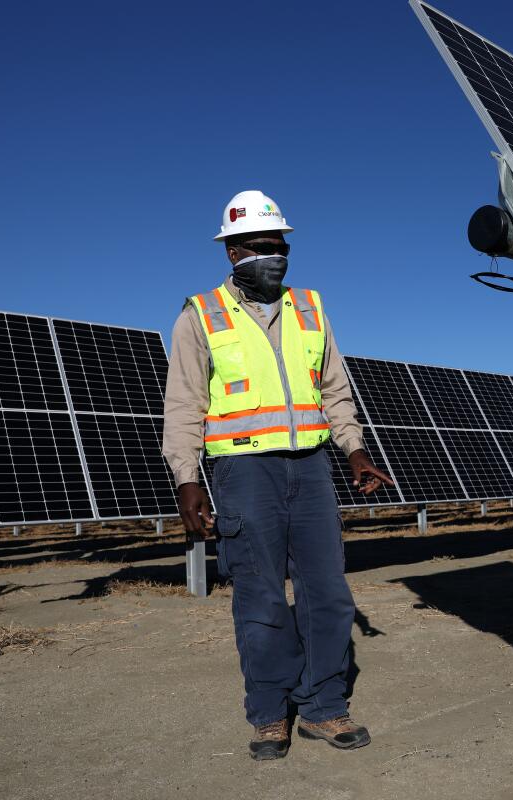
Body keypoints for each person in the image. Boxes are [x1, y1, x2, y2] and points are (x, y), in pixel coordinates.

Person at [162, 189, 394, 760]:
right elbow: (184, 403)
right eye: (262, 247)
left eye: (281, 245)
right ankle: (270, 714)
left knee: (329, 594)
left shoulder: (311, 309)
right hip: (243, 472)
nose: (275, 255)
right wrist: (187, 479)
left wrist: (355, 450)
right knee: (261, 598)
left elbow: (335, 391)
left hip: (311, 469)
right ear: (234, 252)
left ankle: (323, 707)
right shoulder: (201, 314)